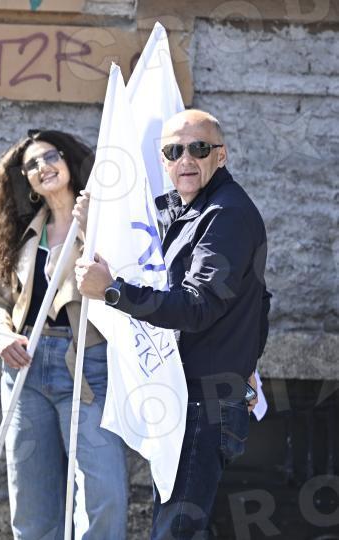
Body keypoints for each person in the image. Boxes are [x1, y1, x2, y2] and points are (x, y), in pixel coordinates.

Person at [75, 109, 269, 538]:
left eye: (198, 148)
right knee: (173, 527)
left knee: (174, 531)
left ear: (221, 155)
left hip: (203, 402)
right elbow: (260, 299)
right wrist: (97, 225)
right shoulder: (186, 208)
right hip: (186, 396)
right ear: (163, 160)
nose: (185, 159)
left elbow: (198, 306)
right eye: (173, 151)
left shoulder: (226, 214)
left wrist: (113, 292)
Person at [0, 129, 128, 539]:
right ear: (26, 182)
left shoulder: (104, 221)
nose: (42, 167)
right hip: (25, 369)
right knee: (33, 500)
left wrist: (91, 226)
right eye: (31, 165)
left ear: (68, 160)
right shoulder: (19, 234)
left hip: (88, 367)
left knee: (102, 493)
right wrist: (1, 334)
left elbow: (129, 281)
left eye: (50, 156)